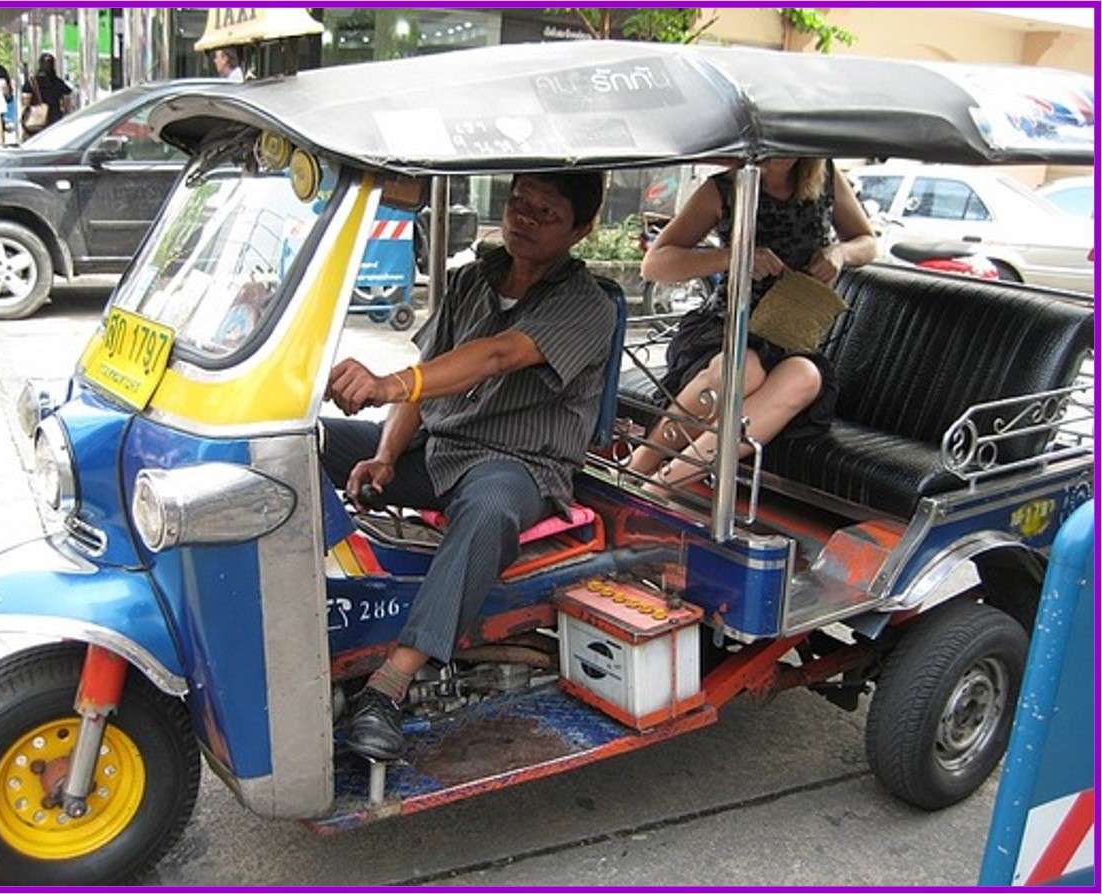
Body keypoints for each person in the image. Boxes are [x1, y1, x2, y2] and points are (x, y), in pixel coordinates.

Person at [322, 171, 616, 760]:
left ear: (581, 230)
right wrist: (383, 455)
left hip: (517, 465)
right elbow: (426, 387)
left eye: (547, 212)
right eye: (519, 202)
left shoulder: (587, 305)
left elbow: (497, 355)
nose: (525, 218)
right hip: (439, 448)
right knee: (302, 440)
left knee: (486, 512)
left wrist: (387, 384)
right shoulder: (470, 281)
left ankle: (391, 683)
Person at [627, 158, 877, 490]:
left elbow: (867, 241)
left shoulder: (826, 178)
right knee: (745, 367)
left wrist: (839, 254)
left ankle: (662, 484)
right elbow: (654, 265)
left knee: (807, 376)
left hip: (791, 334)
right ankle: (638, 465)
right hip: (724, 327)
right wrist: (735, 257)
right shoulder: (724, 188)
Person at [21, 53, 71, 130]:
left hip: (36, 120)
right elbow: (66, 101)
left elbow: (26, 100)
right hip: (55, 119)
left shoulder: (32, 82)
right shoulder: (57, 82)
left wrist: (24, 115)